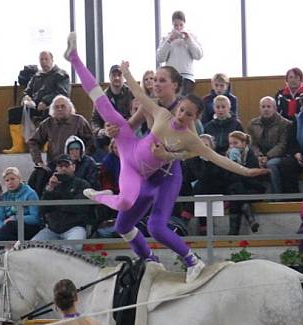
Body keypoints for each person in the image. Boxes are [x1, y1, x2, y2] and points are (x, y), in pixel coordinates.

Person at [64, 33, 260, 282]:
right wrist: (112, 131)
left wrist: (167, 154)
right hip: (140, 165)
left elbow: (193, 151)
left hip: (166, 173)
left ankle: (191, 260)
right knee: (123, 225)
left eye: (162, 80)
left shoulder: (185, 110)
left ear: (175, 86)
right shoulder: (150, 104)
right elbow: (129, 125)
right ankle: (75, 59)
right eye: (154, 80)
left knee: (156, 226)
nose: (156, 84)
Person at [4, 52, 71, 154]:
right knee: (14, 113)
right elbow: (27, 91)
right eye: (41, 59)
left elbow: (63, 93)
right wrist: (26, 97)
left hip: (53, 106)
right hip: (34, 105)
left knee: (50, 112)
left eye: (46, 59)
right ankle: (18, 146)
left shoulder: (61, 75)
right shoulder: (36, 76)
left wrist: (46, 101)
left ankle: (48, 144)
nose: (44, 62)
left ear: (52, 60)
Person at [33, 155, 92, 244]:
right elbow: (42, 209)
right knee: (32, 247)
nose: (64, 169)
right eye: (61, 166)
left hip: (75, 227)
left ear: (74, 167)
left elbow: (80, 207)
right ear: (57, 168)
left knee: (71, 248)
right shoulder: (51, 185)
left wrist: (56, 204)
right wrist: (50, 189)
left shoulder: (82, 184)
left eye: (67, 166)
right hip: (52, 229)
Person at [28, 95, 94, 172]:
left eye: (63, 106)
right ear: (52, 110)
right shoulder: (47, 123)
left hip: (76, 166)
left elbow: (91, 142)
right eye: (56, 107)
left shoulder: (79, 121)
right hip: (54, 166)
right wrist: (38, 161)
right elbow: (33, 142)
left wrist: (82, 158)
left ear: (70, 108)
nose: (60, 109)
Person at [248, 96, 291, 195]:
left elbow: (282, 144)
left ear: (275, 108)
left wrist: (267, 156)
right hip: (258, 156)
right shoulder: (252, 124)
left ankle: (277, 197)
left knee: (271, 165)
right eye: (263, 107)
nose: (266, 109)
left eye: (268, 106)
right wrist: (259, 156)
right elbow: (252, 143)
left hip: (279, 156)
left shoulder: (285, 124)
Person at [155, 10, 203, 95]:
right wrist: (169, 41)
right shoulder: (166, 38)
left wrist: (189, 40)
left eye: (181, 25)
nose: (179, 28)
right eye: (176, 25)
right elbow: (159, 58)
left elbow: (198, 55)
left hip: (187, 77)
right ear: (172, 24)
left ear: (184, 24)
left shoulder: (192, 37)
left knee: (184, 103)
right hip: (171, 78)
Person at [0, 166, 42, 243]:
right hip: (10, 229)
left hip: (30, 227)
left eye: (13, 179)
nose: (10, 182)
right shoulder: (4, 197)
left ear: (19, 179)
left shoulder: (30, 193)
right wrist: (1, 226)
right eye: (7, 180)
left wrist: (15, 218)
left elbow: (35, 218)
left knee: (10, 226)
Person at [91, 64, 133, 153]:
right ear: (109, 77)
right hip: (107, 135)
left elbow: (136, 114)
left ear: (123, 78)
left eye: (119, 75)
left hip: (127, 130)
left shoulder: (131, 94)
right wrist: (103, 132)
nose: (117, 78)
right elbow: (95, 120)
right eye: (114, 75)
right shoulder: (101, 97)